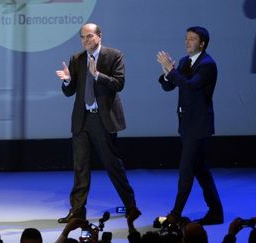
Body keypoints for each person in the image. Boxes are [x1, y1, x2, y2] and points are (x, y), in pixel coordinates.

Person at [55, 22, 141, 224]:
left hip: (102, 119)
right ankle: (77, 211)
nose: (85, 40)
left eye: (89, 36)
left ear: (99, 36)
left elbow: (119, 84)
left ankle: (131, 206)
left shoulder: (114, 55)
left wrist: (98, 75)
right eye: (82, 37)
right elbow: (70, 92)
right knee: (80, 167)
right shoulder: (77, 59)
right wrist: (67, 80)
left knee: (112, 164)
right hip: (81, 118)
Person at [156, 26, 223, 225]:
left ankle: (175, 214)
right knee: (201, 170)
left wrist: (173, 71)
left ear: (202, 43)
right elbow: (169, 86)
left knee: (186, 171)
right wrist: (168, 73)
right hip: (186, 125)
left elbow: (190, 86)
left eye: (192, 39)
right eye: (186, 38)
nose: (187, 42)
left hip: (198, 126)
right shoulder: (185, 61)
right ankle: (216, 213)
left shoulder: (207, 65)